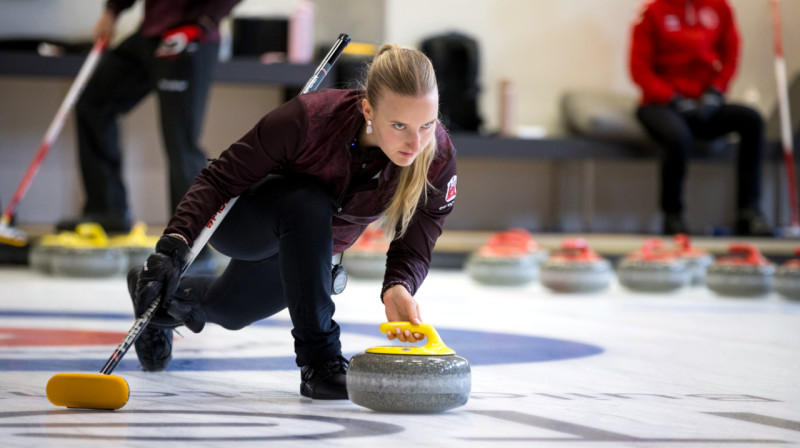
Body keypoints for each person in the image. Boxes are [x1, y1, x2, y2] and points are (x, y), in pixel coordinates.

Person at [126, 44, 459, 400]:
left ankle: (156, 297)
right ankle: (321, 362)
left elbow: (417, 238)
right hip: (244, 220)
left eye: (427, 124)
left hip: (308, 247)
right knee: (308, 202)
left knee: (232, 309)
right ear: (368, 110)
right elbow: (218, 179)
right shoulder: (309, 119)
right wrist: (171, 249)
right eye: (399, 125)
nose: (415, 142)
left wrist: (399, 286)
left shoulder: (436, 155)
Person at [57, 0, 240, 234]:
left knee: (179, 139)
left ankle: (189, 239)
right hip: (150, 34)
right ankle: (107, 212)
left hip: (190, 33)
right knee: (94, 105)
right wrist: (113, 11)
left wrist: (205, 20)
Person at [629, 0, 773, 236]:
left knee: (752, 120)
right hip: (661, 104)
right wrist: (673, 98)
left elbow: (731, 54)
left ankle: (749, 212)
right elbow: (639, 69)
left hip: (704, 102)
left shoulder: (720, 8)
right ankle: (673, 216)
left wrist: (715, 92)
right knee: (678, 136)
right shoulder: (652, 12)